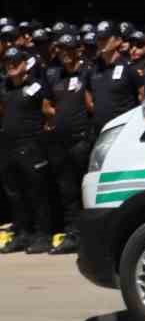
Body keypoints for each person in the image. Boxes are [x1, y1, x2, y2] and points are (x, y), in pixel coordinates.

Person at [1, 46, 57, 254]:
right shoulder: (5, 88)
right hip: (8, 148)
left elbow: (50, 112)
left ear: (25, 64)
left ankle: (43, 235)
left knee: (37, 192)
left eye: (15, 61)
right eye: (8, 62)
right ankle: (23, 234)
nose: (11, 65)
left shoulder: (36, 86)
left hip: (31, 146)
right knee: (15, 193)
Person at [41, 32, 93, 256]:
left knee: (85, 189)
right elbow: (45, 105)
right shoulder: (54, 76)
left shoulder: (87, 72)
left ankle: (91, 236)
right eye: (60, 49)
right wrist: (59, 114)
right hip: (60, 143)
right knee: (67, 191)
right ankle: (73, 235)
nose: (64, 53)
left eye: (68, 49)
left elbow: (93, 104)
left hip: (82, 139)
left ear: (77, 50)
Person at [87, 21, 143, 135]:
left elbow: (144, 96)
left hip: (123, 132)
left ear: (118, 40)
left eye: (106, 38)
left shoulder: (129, 67)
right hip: (100, 132)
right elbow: (88, 93)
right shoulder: (93, 68)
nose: (101, 42)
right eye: (99, 38)